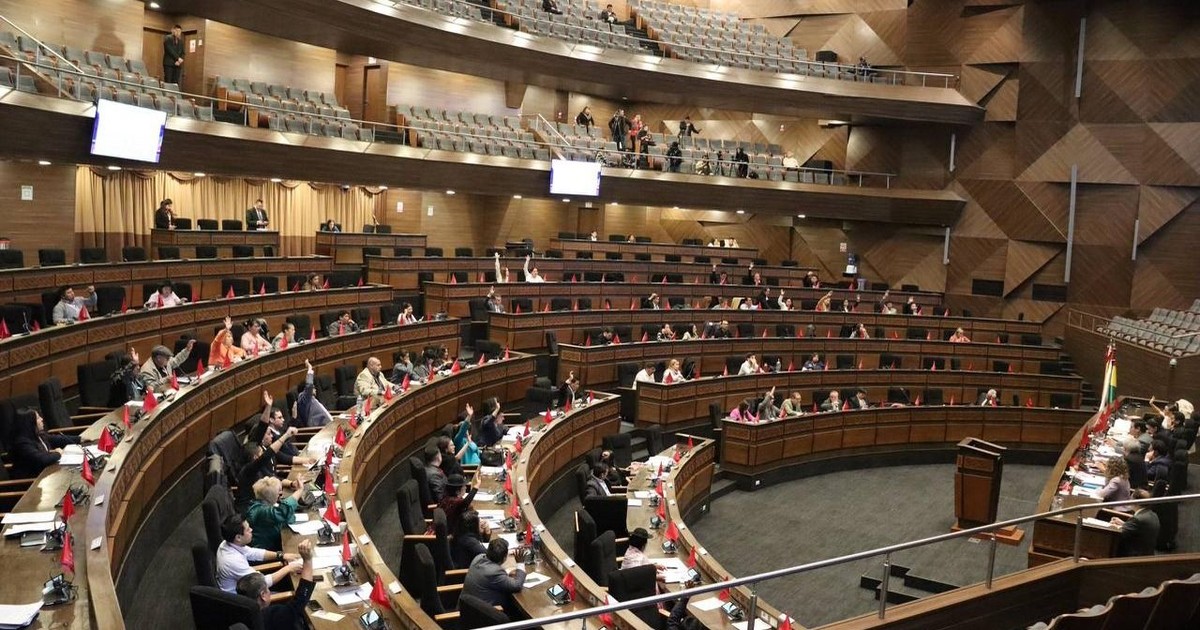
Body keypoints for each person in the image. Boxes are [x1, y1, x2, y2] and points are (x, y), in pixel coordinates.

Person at [236, 539, 315, 630]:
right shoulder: (275, 615)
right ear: (263, 596)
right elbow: (301, 600)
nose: (269, 591)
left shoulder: (236, 616)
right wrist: (307, 560)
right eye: (267, 589)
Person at [215, 513, 301, 593]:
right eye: (248, 529)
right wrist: (289, 568)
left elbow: (253, 553)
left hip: (249, 586)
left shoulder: (227, 543)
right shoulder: (232, 561)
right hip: (244, 600)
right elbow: (261, 583)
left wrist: (281, 555)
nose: (251, 530)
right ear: (238, 537)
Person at [9, 408, 81, 478]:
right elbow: (42, 459)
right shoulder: (22, 443)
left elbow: (56, 439)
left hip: (46, 474)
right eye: (38, 418)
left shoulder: (37, 434)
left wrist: (80, 439)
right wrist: (58, 453)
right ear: (29, 423)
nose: (41, 419)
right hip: (31, 481)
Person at [461, 539, 525, 618]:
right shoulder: (494, 572)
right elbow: (517, 586)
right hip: (484, 617)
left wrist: (505, 575)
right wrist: (520, 563)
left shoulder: (479, 558)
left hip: (468, 610)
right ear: (504, 558)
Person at [245, 476, 302, 552]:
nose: (280, 495)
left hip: (274, 543)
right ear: (271, 496)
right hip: (266, 551)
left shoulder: (263, 504)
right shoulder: (261, 511)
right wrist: (299, 491)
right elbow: (283, 512)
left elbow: (289, 518)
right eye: (279, 493)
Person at [1110, 489, 1159, 557]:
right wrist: (1123, 524)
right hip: (1147, 554)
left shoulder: (1137, 519)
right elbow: (1138, 530)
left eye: (1131, 499)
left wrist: (1114, 527)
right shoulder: (1153, 515)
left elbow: (1120, 535)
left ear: (1136, 502)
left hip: (1132, 555)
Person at [295, 359, 333, 427]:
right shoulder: (303, 399)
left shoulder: (310, 399)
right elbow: (309, 385)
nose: (315, 389)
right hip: (320, 428)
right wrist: (310, 368)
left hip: (329, 425)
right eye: (313, 387)